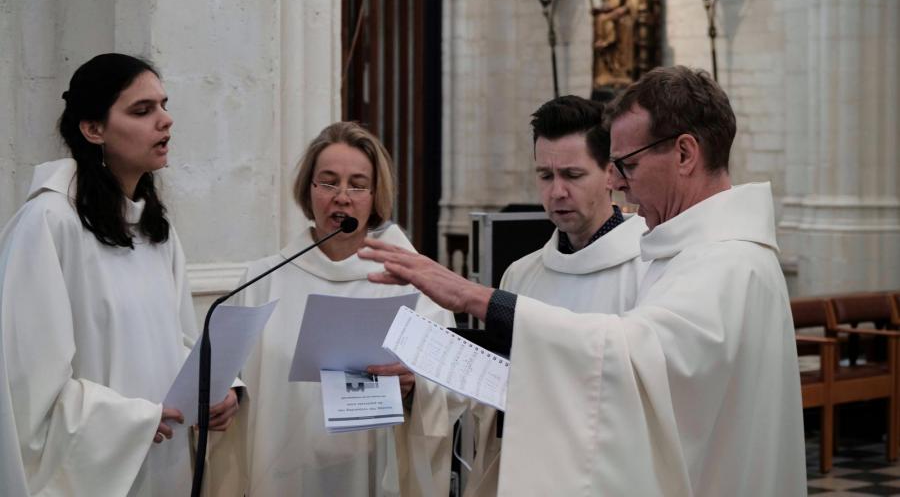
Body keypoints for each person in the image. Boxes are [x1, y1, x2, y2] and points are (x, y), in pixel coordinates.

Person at [360, 66, 806, 496]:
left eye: (626, 165)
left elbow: (625, 361)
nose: (622, 186)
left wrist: (474, 296)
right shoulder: (698, 254)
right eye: (545, 175)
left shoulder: (724, 262)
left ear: (685, 154)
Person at [0, 53, 239, 496]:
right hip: (100, 471)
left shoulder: (155, 228)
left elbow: (180, 340)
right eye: (142, 110)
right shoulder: (50, 223)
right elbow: (25, 388)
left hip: (163, 464)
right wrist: (134, 420)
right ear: (93, 130)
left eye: (164, 105)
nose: (165, 121)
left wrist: (220, 388)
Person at [236, 121, 463, 497]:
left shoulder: (410, 281)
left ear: (375, 196)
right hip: (283, 476)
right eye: (328, 182)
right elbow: (233, 381)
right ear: (308, 191)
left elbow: (451, 386)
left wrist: (415, 386)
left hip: (373, 472)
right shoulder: (262, 281)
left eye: (357, 185)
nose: (342, 196)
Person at [464, 95, 648, 496]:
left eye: (572, 174)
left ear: (610, 175)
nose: (557, 191)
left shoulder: (646, 268)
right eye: (545, 176)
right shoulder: (522, 273)